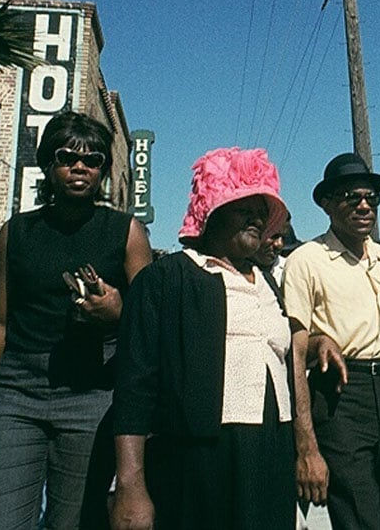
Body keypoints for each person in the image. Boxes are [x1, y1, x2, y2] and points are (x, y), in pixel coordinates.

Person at [0, 111, 153, 529]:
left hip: (92, 395)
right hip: (16, 394)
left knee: (73, 523)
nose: (80, 167)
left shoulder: (127, 232)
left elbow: (152, 324)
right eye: (67, 157)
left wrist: (118, 312)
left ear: (103, 170)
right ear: (48, 162)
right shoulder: (16, 232)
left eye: (93, 160)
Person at [111, 147, 298, 530]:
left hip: (271, 456)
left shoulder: (269, 284)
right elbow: (134, 388)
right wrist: (130, 485)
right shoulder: (166, 279)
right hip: (198, 466)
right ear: (212, 211)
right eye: (244, 207)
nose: (257, 218)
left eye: (262, 210)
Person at [282, 152, 380, 530]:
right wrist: (306, 445)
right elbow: (294, 352)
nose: (364, 206)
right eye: (351, 197)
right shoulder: (307, 260)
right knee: (358, 512)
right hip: (340, 395)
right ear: (327, 204)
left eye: (371, 198)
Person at [253, 212, 293, 284]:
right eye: (274, 236)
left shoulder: (291, 269)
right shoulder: (235, 271)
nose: (279, 244)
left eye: (284, 238)